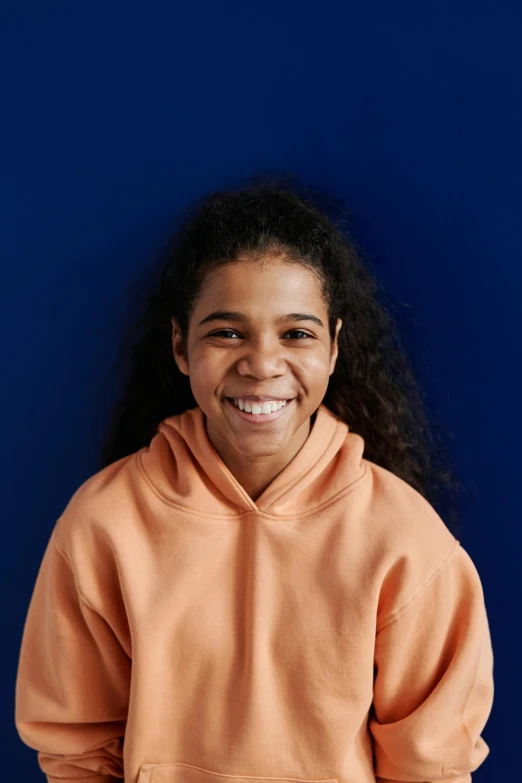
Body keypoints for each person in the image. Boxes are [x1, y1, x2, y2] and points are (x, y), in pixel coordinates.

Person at [14, 171, 494, 783]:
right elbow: (76, 754)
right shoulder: (102, 525)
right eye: (227, 332)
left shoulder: (405, 541)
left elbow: (433, 767)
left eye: (296, 333)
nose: (263, 364)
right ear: (182, 347)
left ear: (335, 349)